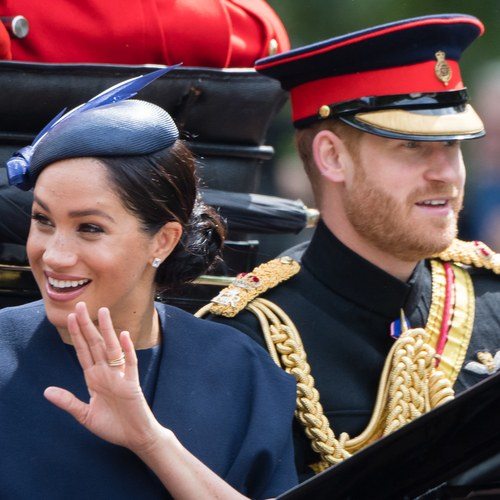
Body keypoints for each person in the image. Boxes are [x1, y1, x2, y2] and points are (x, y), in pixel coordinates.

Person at [199, 14, 500, 478]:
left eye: (453, 145)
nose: (446, 172)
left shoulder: (490, 297)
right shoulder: (251, 340)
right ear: (332, 157)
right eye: (412, 147)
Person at [0, 68, 298, 499]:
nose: (54, 255)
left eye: (90, 228)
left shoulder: (241, 374)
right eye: (43, 221)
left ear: (163, 239)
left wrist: (149, 440)